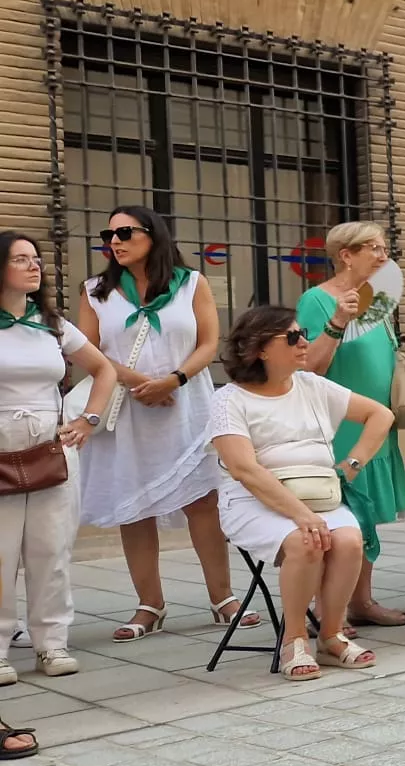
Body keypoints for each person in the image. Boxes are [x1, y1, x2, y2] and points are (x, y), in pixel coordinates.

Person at [76, 205, 259, 645]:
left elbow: (210, 341)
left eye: (125, 232)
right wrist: (143, 383)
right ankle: (149, 604)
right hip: (127, 409)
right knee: (133, 507)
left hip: (185, 405)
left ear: (153, 236)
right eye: (109, 234)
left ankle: (223, 598)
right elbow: (85, 351)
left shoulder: (191, 283)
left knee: (202, 500)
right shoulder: (95, 292)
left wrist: (173, 379)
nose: (114, 241)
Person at [211, 306, 393, 680]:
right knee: (306, 541)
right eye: (292, 337)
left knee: (348, 540)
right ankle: (294, 640)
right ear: (260, 349)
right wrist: (299, 513)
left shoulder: (312, 385)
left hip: (319, 494)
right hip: (253, 502)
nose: (304, 342)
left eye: (303, 333)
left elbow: (381, 415)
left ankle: (331, 634)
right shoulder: (228, 400)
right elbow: (244, 469)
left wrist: (352, 464)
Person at [0, 233, 115, 685]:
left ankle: (52, 644)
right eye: (20, 259)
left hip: (52, 446)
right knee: (0, 553)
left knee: (52, 549)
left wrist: (88, 418)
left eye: (36, 260)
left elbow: (104, 368)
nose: (34, 267)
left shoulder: (51, 322)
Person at [296, 221, 405, 627]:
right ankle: (329, 612)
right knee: (342, 516)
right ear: (346, 255)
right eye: (374, 248)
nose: (383, 256)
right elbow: (309, 366)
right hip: (340, 426)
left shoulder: (377, 299)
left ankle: (361, 602)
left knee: (368, 516)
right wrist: (338, 322)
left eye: (383, 248)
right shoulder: (317, 300)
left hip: (376, 424)